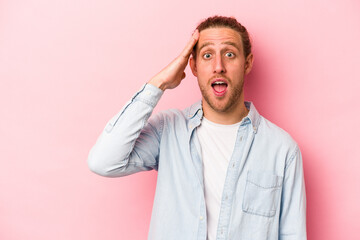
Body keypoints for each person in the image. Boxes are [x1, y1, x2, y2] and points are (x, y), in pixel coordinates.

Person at [88, 15, 307, 240]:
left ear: (247, 63)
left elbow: (293, 234)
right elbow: (103, 161)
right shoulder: (168, 131)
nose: (218, 67)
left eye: (229, 54)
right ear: (192, 65)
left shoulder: (283, 150)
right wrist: (159, 83)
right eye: (207, 55)